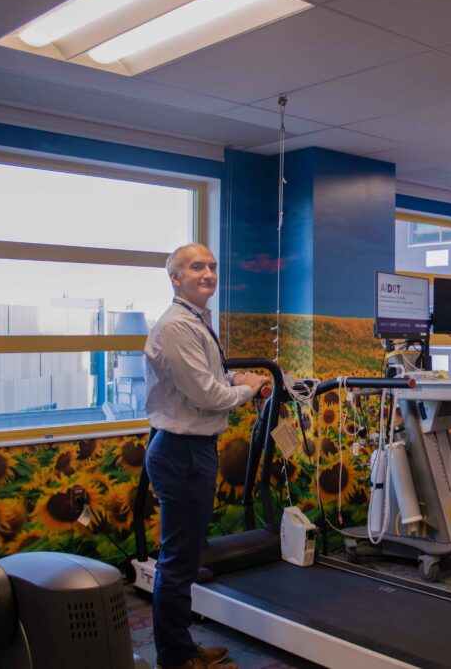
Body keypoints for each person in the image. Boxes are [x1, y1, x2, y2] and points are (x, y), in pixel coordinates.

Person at [144, 243, 270, 669]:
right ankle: (176, 657)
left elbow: (213, 377)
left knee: (186, 555)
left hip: (193, 449)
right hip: (180, 451)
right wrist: (248, 389)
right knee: (178, 561)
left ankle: (181, 647)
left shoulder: (198, 321)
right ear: (175, 278)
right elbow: (209, 395)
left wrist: (239, 376)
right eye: (196, 267)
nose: (208, 273)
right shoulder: (177, 327)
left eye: (213, 266)